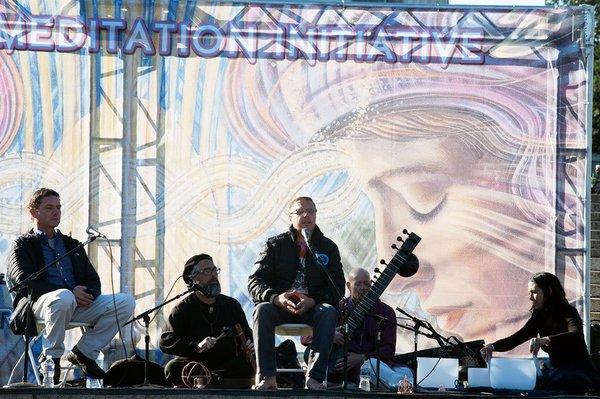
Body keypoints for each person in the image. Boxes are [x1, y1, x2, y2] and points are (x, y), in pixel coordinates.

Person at [6, 187, 136, 384]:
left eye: (58, 207)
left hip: (74, 305)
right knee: (63, 297)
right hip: (39, 306)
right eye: (49, 207)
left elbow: (92, 280)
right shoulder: (22, 244)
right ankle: (52, 358)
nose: (56, 212)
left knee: (125, 302)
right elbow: (23, 282)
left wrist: (88, 293)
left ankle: (84, 352)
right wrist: (70, 293)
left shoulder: (72, 244)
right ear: (33, 212)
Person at [248, 196, 345, 390]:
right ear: (291, 217)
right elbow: (254, 281)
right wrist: (276, 298)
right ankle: (268, 377)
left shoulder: (328, 247)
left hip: (313, 308)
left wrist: (313, 300)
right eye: (300, 211)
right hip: (281, 307)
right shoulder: (275, 245)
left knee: (328, 311)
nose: (306, 215)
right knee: (262, 310)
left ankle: (314, 378)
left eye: (311, 211)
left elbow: (338, 287)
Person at [480, 272, 599, 393]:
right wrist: (492, 346)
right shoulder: (539, 315)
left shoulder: (568, 311)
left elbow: (575, 335)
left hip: (577, 371)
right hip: (556, 370)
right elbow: (518, 337)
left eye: (534, 292)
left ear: (549, 291)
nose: (530, 297)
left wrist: (546, 339)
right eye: (529, 292)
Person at [302, 267, 412, 388]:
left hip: (367, 366)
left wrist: (362, 357)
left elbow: (389, 350)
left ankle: (403, 385)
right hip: (337, 368)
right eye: (358, 284)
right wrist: (329, 334)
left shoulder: (385, 312)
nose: (363, 288)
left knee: (379, 366)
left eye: (366, 284)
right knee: (310, 353)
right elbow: (305, 338)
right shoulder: (337, 308)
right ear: (349, 286)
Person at [159, 254, 255, 387]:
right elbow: (166, 340)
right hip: (196, 363)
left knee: (252, 365)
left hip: (227, 364)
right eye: (207, 271)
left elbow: (247, 334)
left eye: (215, 270)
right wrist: (196, 346)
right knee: (172, 368)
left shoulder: (231, 305)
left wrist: (250, 343)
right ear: (192, 280)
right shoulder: (183, 308)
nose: (214, 275)